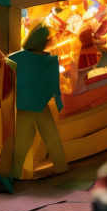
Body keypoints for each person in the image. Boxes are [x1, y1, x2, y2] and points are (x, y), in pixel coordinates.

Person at [9, 22, 68, 179]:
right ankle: (61, 168)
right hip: (40, 104)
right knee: (51, 137)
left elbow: (5, 77)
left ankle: (15, 173)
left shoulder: (14, 58)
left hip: (23, 105)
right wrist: (60, 105)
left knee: (22, 141)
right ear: (42, 41)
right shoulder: (50, 61)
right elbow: (54, 86)